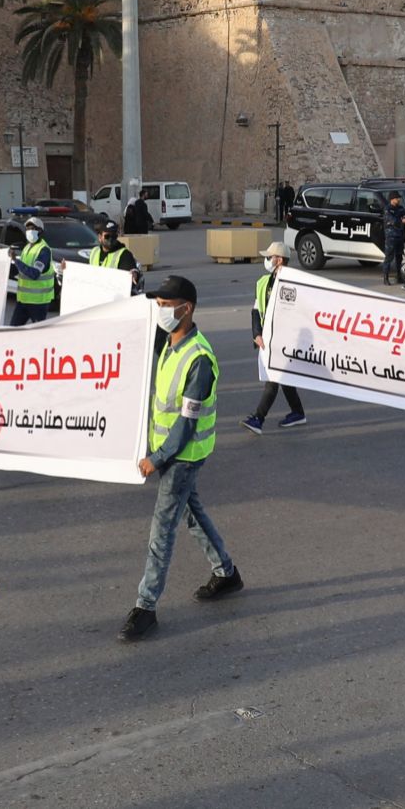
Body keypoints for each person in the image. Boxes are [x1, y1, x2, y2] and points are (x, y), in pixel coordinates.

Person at [121, 276, 241, 642]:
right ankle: (226, 573)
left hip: (182, 456)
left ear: (185, 308)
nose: (159, 311)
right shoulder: (170, 344)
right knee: (192, 514)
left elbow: (187, 424)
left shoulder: (199, 359)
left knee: (162, 531)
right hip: (170, 453)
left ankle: (145, 606)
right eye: (157, 304)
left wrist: (156, 458)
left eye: (164, 305)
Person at [243, 243, 307, 435]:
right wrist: (257, 333)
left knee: (273, 379)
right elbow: (256, 309)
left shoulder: (294, 283)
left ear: (279, 259)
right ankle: (298, 412)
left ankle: (258, 419)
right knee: (283, 377)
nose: (267, 260)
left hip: (284, 341)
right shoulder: (264, 281)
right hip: (268, 339)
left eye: (269, 257)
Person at [8, 217, 54, 325]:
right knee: (13, 331)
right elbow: (22, 270)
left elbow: (34, 274)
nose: (29, 231)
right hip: (23, 300)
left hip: (38, 302)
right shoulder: (27, 248)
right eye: (27, 229)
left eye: (32, 228)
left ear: (40, 231)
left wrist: (15, 260)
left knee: (40, 336)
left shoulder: (44, 250)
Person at [83, 220, 141, 288]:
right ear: (100, 237)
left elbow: (130, 271)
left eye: (114, 236)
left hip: (115, 295)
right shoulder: (94, 252)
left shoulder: (124, 254)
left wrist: (133, 274)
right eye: (107, 236)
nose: (110, 239)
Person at [381, 193, 405, 286]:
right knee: (389, 257)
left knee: (399, 257)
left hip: (400, 235)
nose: (398, 200)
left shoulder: (401, 208)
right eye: (397, 198)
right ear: (392, 199)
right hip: (391, 236)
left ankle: (399, 277)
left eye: (399, 198)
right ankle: (385, 278)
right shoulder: (388, 209)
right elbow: (393, 220)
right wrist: (402, 220)